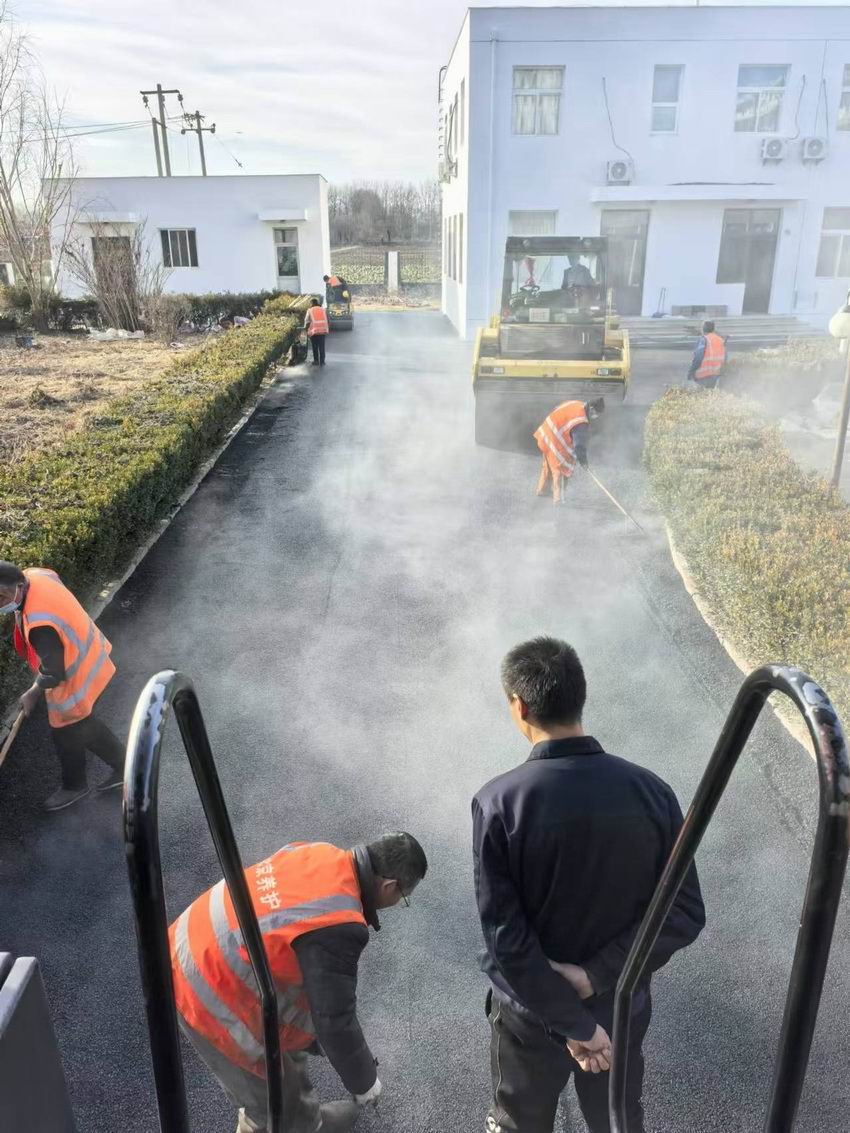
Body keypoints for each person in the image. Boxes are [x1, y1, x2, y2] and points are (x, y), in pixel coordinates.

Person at [472, 637, 705, 1133]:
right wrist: (596, 976)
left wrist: (576, 1028)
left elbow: (506, 941)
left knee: (519, 1123)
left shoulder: (499, 803)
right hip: (620, 1009)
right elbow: (684, 913)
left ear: (520, 705)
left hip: (530, 1018)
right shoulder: (652, 791)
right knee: (617, 1121)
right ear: (581, 696)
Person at [171, 832, 428, 1133]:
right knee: (270, 1105)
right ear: (390, 886)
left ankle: (308, 1120)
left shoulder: (318, 852)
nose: (398, 903)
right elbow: (335, 1020)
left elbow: (312, 988)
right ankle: (285, 1122)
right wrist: (364, 1082)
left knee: (291, 1039)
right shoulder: (341, 925)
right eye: (403, 898)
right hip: (205, 990)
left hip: (185, 943)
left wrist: (314, 1040)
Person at [0, 561, 124, 811]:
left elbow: (53, 673)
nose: (0, 604)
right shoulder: (37, 575)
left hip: (76, 676)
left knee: (67, 730)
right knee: (84, 725)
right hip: (91, 656)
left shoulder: (39, 625)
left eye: (2, 597)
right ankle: (126, 766)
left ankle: (75, 786)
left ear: (20, 587)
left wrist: (33, 692)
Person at [534, 398, 604, 504]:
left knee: (548, 463)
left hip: (545, 434)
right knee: (561, 467)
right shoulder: (581, 422)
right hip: (554, 439)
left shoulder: (576, 403)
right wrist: (583, 462)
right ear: (591, 408)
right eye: (595, 414)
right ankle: (558, 499)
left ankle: (542, 490)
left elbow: (557, 409)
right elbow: (579, 446)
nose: (595, 417)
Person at [687, 320, 726, 389]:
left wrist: (691, 371)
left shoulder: (704, 340)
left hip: (702, 376)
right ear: (713, 329)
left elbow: (698, 358)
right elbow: (724, 358)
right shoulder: (720, 340)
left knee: (700, 395)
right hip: (715, 374)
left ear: (703, 329)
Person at [304, 298, 329, 366]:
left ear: (312, 303)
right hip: (323, 331)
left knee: (315, 347)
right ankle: (322, 361)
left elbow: (307, 321)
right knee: (322, 347)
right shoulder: (323, 309)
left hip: (314, 331)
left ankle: (316, 361)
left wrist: (306, 330)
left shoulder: (310, 310)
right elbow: (327, 319)